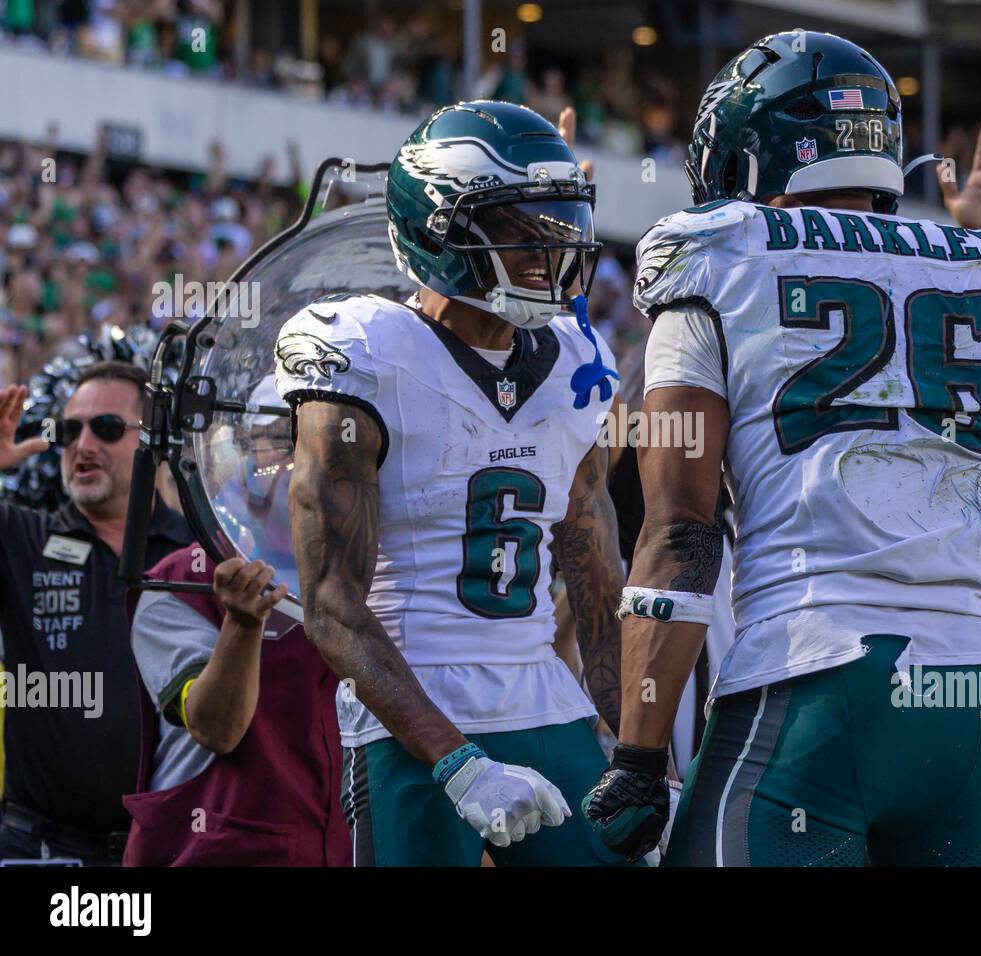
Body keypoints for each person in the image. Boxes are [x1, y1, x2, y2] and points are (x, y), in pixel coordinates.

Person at [583, 30, 981, 866]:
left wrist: (637, 756)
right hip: (973, 706)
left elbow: (680, 536)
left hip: (812, 685)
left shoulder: (719, 255)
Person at [275, 101, 628, 866]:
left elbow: (597, 581)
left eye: (558, 222)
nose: (550, 249)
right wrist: (455, 762)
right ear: (439, 229)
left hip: (542, 693)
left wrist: (640, 752)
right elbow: (331, 607)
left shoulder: (578, 361)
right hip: (411, 705)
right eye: (519, 227)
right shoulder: (364, 350)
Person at [121, 400, 350, 865]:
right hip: (216, 851)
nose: (295, 458)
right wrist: (243, 625)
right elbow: (216, 728)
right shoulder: (182, 581)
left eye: (310, 441)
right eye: (276, 440)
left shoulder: (372, 575)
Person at [0, 362, 190, 864]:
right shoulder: (23, 541)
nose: (82, 445)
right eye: (69, 430)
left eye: (105, 428)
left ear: (153, 441)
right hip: (38, 850)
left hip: (173, 848)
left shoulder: (200, 555)